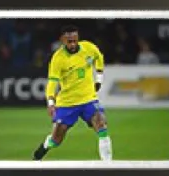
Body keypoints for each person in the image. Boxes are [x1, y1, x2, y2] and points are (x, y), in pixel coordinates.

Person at [32, 24, 113, 161]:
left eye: (75, 40)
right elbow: (52, 82)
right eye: (69, 41)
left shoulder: (88, 48)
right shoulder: (58, 58)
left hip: (88, 99)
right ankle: (41, 151)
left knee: (101, 125)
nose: (73, 44)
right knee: (56, 140)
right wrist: (51, 102)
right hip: (67, 103)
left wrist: (99, 78)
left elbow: (99, 57)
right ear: (62, 40)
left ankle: (108, 166)